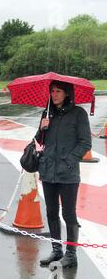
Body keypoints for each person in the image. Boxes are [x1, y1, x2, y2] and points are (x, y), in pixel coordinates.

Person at [35, 80, 91, 268]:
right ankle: (56, 250)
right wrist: (41, 129)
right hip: (47, 172)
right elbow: (38, 142)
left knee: (68, 214)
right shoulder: (47, 113)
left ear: (67, 93)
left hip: (68, 174)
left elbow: (85, 143)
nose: (54, 94)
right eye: (52, 91)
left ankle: (71, 254)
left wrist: (69, 161)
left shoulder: (78, 114)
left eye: (58, 91)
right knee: (51, 212)